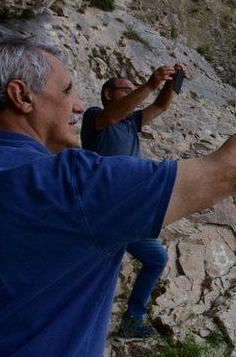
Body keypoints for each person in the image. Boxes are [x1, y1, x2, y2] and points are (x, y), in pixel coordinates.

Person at [0, 39, 236, 357]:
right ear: (22, 97)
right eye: (67, 90)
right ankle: (134, 317)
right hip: (111, 211)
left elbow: (156, 109)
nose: (76, 103)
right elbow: (234, 169)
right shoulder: (74, 182)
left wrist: (166, 85)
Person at [80, 69, 189, 337]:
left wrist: (170, 85)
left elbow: (161, 105)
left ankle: (132, 318)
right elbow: (114, 113)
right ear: (109, 94)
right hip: (101, 210)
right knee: (99, 272)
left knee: (156, 257)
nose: (132, 92)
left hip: (128, 210)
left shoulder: (131, 122)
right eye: (125, 89)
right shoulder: (96, 116)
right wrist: (150, 83)